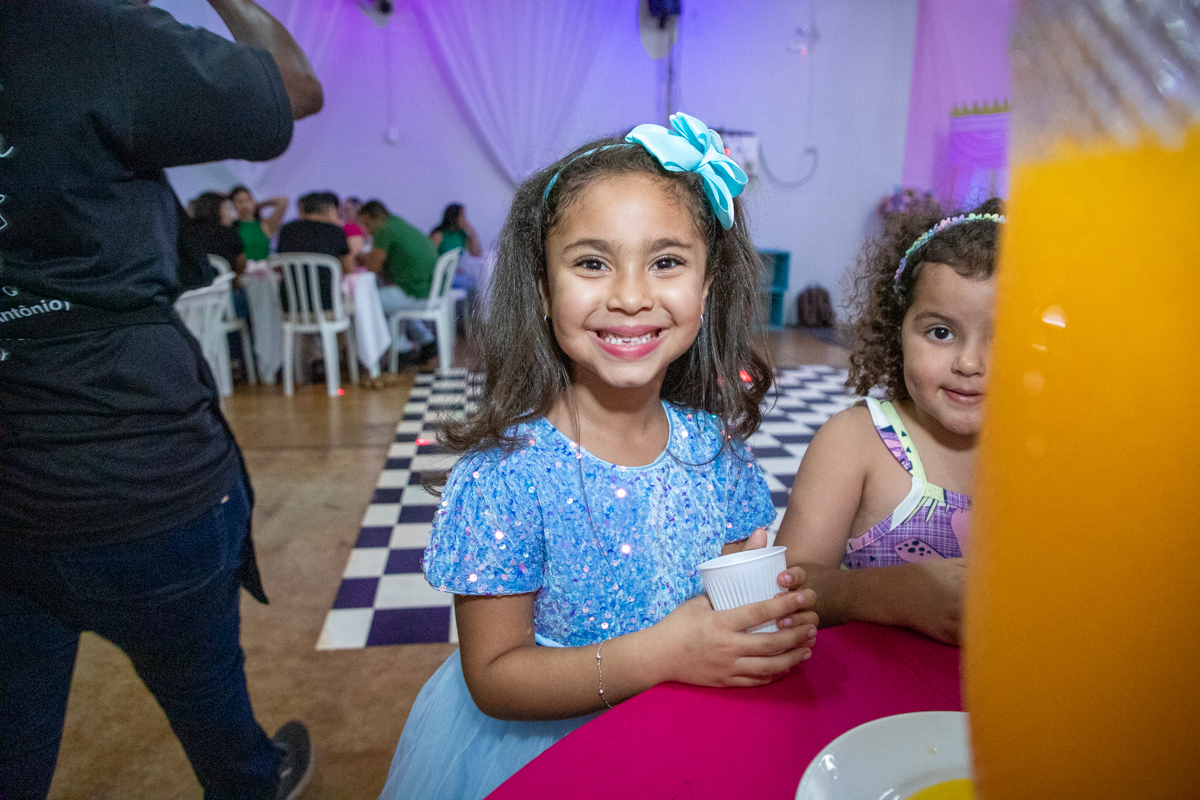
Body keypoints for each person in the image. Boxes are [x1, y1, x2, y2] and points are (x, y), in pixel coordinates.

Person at [378, 113, 819, 800]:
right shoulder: (505, 475)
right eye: (592, 263)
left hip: (688, 734)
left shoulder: (716, 451)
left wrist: (763, 625)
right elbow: (494, 677)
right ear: (543, 288)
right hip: (547, 759)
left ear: (706, 286)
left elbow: (733, 599)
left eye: (666, 262)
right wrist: (660, 655)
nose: (631, 296)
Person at [0, 1, 323, 798]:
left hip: (13, 482)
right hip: (138, 469)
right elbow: (295, 87)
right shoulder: (83, 31)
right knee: (211, 705)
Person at [773, 198, 1004, 646]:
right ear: (898, 331)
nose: (970, 363)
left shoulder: (1046, 454)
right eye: (940, 332)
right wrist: (891, 594)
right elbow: (785, 588)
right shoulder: (856, 442)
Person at [357, 199, 437, 361]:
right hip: (430, 289)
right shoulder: (397, 223)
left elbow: (374, 266)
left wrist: (361, 260)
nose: (367, 230)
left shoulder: (383, 229)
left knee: (367, 302)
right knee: (389, 300)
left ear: (374, 218)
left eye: (366, 224)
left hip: (414, 292)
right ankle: (424, 338)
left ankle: (397, 350)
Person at [276, 190, 352, 311]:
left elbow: (279, 266)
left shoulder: (287, 230)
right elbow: (349, 268)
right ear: (327, 209)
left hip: (291, 303)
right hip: (327, 302)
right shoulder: (335, 232)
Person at [231, 184, 289, 261]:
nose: (245, 204)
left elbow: (283, 201)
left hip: (263, 266)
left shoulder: (265, 224)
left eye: (248, 200)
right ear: (234, 204)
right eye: (240, 201)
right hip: (242, 267)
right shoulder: (231, 225)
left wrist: (261, 205)